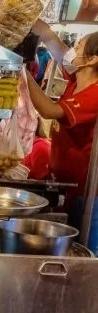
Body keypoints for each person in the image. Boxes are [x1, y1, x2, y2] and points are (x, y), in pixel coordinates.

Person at [28, 22, 98, 209]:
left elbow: (49, 111)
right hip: (62, 182)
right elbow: (52, 41)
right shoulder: (76, 80)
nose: (72, 52)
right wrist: (36, 23)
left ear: (91, 59)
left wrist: (24, 74)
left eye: (78, 47)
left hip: (84, 194)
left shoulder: (94, 94)